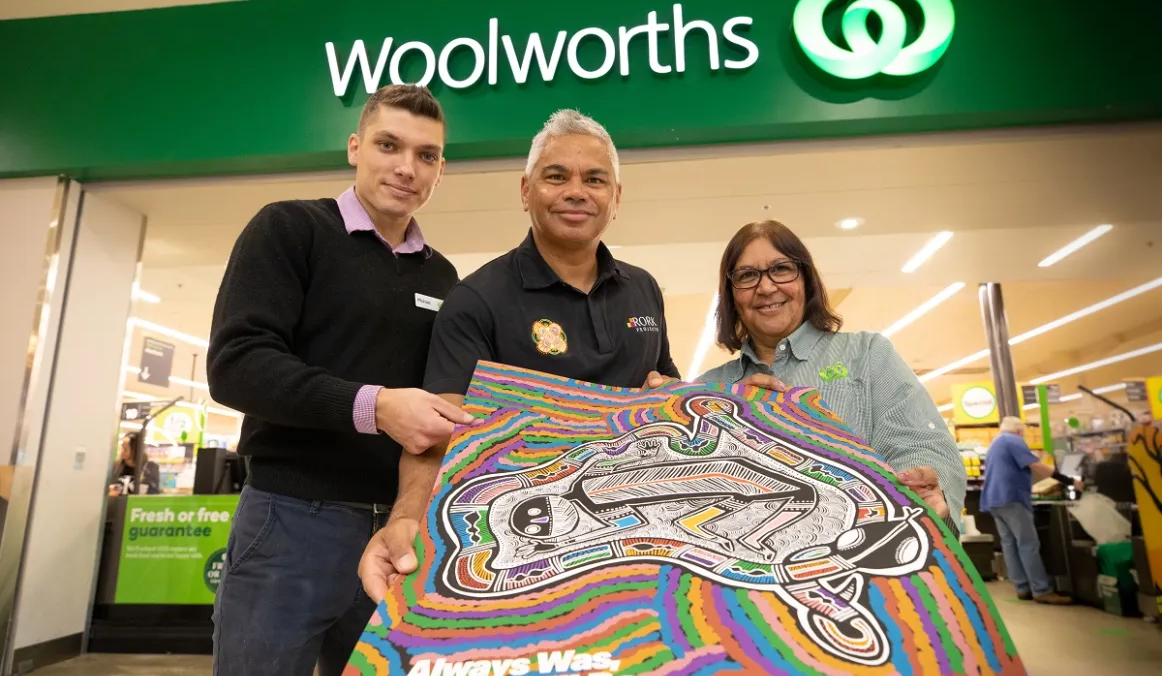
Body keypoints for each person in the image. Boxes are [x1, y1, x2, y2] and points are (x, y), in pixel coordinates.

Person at [206, 84, 474, 676]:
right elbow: (236, 364)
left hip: (400, 533)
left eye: (426, 155)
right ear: (355, 147)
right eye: (388, 145)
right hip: (289, 523)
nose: (407, 168)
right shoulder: (290, 230)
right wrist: (375, 407)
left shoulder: (444, 275)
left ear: (440, 169)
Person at [359, 108, 680, 602]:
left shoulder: (644, 290)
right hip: (528, 545)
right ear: (526, 190)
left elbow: (667, 388)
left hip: (641, 535)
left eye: (595, 179)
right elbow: (438, 432)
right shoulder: (477, 299)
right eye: (557, 176)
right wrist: (406, 519)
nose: (577, 190)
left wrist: (734, 404)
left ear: (615, 198)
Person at [696, 220, 966, 533]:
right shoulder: (708, 388)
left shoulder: (866, 355)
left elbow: (920, 445)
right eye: (747, 275)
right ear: (731, 296)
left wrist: (920, 488)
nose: (766, 287)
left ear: (806, 280)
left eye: (781, 269)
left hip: (859, 561)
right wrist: (723, 410)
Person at [980, 416, 1080, 604]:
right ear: (1019, 431)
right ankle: (1041, 590)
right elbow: (1037, 465)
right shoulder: (1013, 440)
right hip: (1012, 498)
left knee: (1009, 544)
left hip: (994, 500)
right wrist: (1071, 481)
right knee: (1028, 544)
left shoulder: (996, 442)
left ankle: (1022, 587)